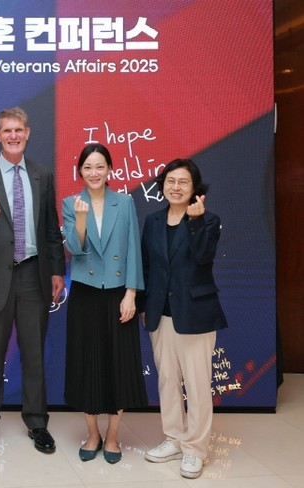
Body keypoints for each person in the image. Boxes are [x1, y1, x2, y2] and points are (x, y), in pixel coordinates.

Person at [0, 107, 65, 455]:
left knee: (34, 354)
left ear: (28, 132)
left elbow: (51, 227)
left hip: (34, 275)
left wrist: (56, 270)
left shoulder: (42, 175)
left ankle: (37, 423)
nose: (13, 136)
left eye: (18, 130)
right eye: (7, 131)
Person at [140, 159, 227, 479]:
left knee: (197, 385)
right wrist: (144, 305)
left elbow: (203, 257)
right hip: (160, 314)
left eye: (183, 182)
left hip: (195, 315)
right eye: (170, 181)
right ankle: (174, 438)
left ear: (194, 188)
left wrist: (195, 222)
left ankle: (195, 449)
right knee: (167, 380)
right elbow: (147, 266)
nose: (175, 187)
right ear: (163, 185)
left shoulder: (208, 220)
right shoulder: (152, 221)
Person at [62, 142, 146, 464]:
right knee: (86, 363)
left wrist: (131, 293)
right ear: (79, 172)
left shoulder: (124, 202)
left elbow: (133, 249)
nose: (94, 173)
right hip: (85, 293)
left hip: (117, 292)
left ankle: (112, 435)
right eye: (87, 167)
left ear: (110, 169)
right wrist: (81, 219)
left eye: (99, 166)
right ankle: (92, 433)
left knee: (118, 365)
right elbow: (75, 248)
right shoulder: (71, 203)